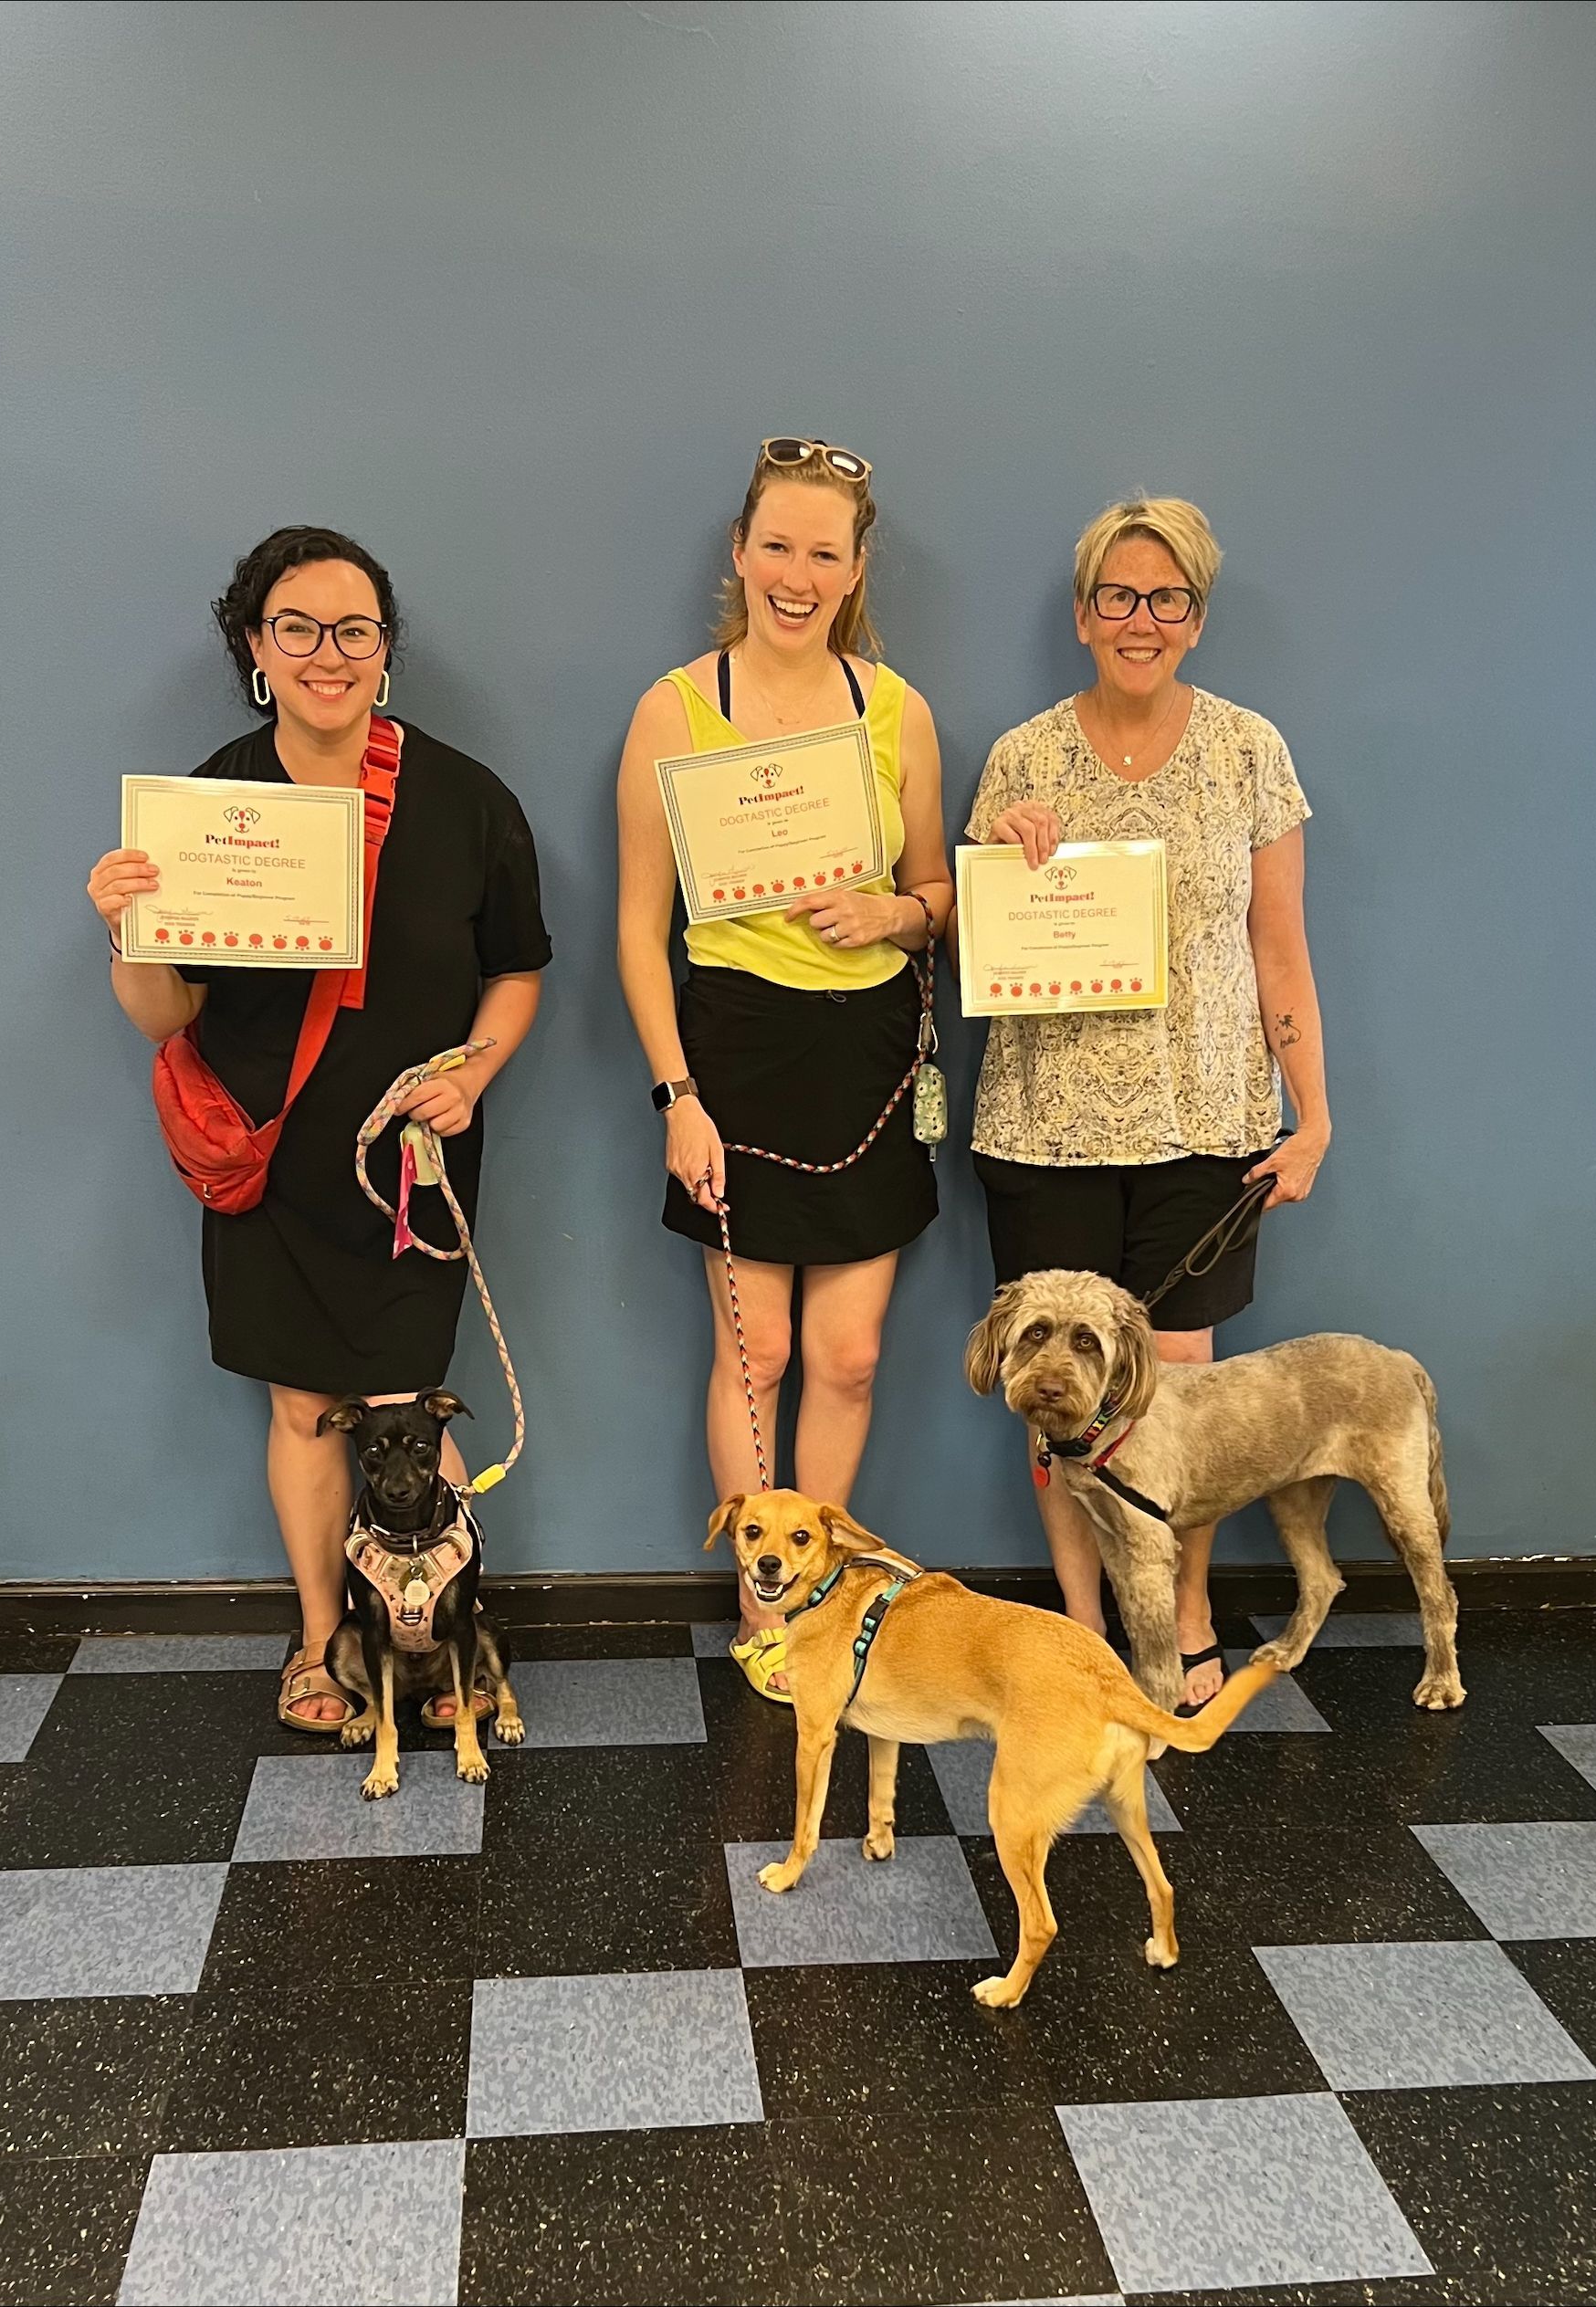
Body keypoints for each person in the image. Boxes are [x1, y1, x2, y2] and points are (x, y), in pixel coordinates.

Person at [86, 527, 551, 1727]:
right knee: (300, 1407)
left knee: (406, 1405)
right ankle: (319, 1646)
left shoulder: (466, 801)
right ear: (256, 646)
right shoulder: (209, 804)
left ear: (386, 651)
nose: (326, 654)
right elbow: (163, 1015)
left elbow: (517, 972)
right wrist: (130, 931)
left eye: (354, 630)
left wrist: (474, 1073)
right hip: (272, 1162)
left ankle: (437, 1642)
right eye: (297, 628)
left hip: (414, 1165)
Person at [966, 497, 1331, 1710]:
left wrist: (1312, 1115)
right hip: (1044, 1129)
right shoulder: (1020, 758)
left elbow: (1281, 948)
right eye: (1117, 597)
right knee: (1057, 1399)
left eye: (1166, 598)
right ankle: (1080, 1637)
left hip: (1207, 1125)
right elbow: (970, 936)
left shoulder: (1250, 751)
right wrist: (1000, 853)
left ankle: (1174, 1620)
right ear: (1082, 617)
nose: (1141, 618)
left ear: (1196, 617)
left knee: (1170, 1395)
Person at [617, 438, 952, 1700]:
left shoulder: (897, 710)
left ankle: (816, 1607)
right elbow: (637, 932)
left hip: (865, 1050)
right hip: (733, 1052)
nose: (796, 575)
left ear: (857, 569)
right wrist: (676, 1095)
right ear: (739, 554)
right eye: (777, 546)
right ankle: (761, 1605)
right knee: (755, 1351)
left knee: (851, 1353)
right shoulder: (674, 706)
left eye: (824, 552)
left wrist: (897, 917)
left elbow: (938, 897)